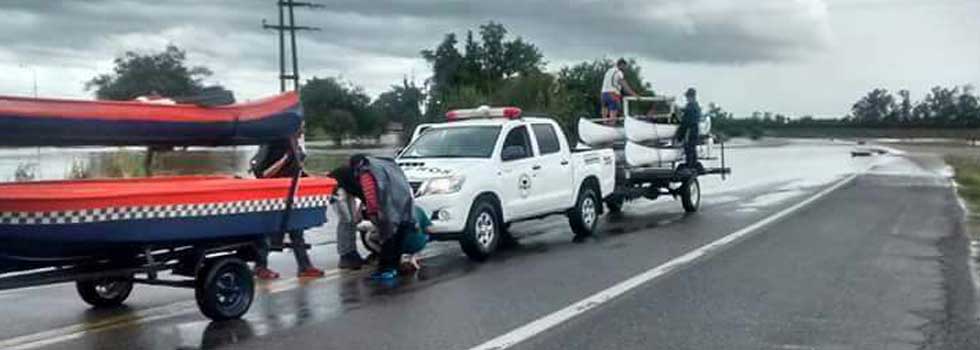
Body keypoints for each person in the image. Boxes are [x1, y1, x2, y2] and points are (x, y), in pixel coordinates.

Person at [250, 136, 324, 279]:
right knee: (271, 232)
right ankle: (260, 266)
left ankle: (304, 267)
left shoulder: (293, 142)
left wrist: (314, 180)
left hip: (290, 193)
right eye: (300, 125)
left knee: (297, 230)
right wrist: (286, 158)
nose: (302, 129)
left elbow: (297, 169)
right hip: (275, 196)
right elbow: (262, 173)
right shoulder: (276, 143)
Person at [349, 154, 416, 280]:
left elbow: (370, 195)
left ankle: (385, 270)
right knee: (398, 240)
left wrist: (373, 213)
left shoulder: (366, 173)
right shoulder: (388, 168)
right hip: (404, 206)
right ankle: (394, 268)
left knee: (387, 240)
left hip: (387, 210)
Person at [328, 165, 368, 270]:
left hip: (347, 187)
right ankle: (344, 255)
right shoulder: (364, 179)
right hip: (336, 189)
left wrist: (359, 212)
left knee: (353, 221)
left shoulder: (364, 177)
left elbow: (364, 197)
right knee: (345, 221)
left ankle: (352, 252)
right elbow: (364, 196)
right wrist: (360, 212)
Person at [600, 58, 639, 123]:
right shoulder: (619, 72)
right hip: (613, 94)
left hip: (603, 94)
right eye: (625, 66)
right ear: (621, 65)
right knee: (613, 112)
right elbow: (624, 85)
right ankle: (611, 126)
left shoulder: (609, 70)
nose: (625, 69)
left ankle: (604, 124)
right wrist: (634, 94)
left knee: (604, 109)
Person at [675, 88, 703, 172]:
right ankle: (693, 165)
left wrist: (679, 135)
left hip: (690, 130)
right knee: (692, 148)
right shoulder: (696, 107)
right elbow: (686, 112)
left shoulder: (690, 107)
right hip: (695, 130)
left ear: (691, 97)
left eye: (688, 97)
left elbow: (685, 123)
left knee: (689, 148)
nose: (687, 98)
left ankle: (690, 166)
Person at [400, 205, 432, 272]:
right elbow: (428, 228)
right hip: (417, 243)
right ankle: (413, 258)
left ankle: (400, 259)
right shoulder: (418, 209)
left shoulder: (394, 210)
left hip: (398, 244)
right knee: (426, 235)